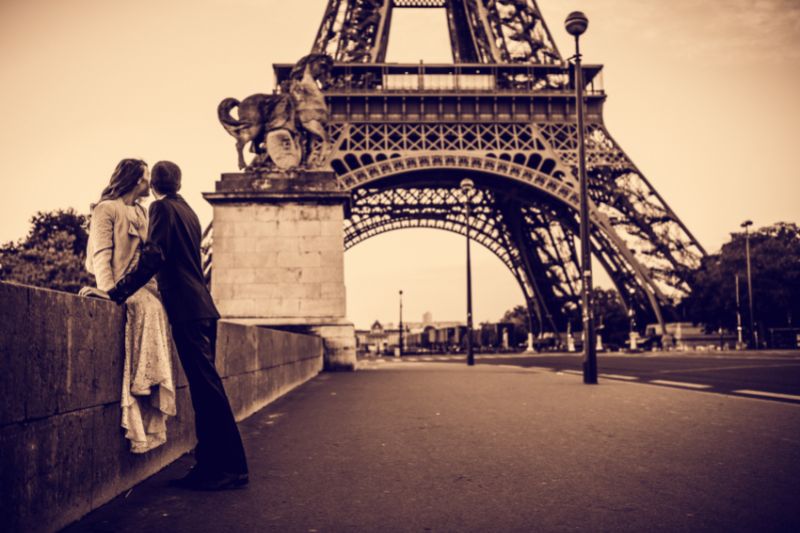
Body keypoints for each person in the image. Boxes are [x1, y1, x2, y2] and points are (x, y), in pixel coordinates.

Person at [98, 160, 248, 491]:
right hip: (203, 307)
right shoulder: (189, 211)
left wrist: (118, 291)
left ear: (154, 186)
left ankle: (232, 468)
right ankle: (210, 466)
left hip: (187, 310)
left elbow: (154, 256)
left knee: (207, 391)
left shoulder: (161, 210)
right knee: (205, 390)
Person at [81, 158, 176, 454]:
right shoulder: (106, 210)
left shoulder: (141, 212)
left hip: (143, 291)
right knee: (148, 310)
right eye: (147, 178)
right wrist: (111, 293)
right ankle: (144, 383)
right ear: (136, 180)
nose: (151, 184)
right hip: (123, 290)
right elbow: (101, 255)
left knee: (154, 309)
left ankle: (146, 382)